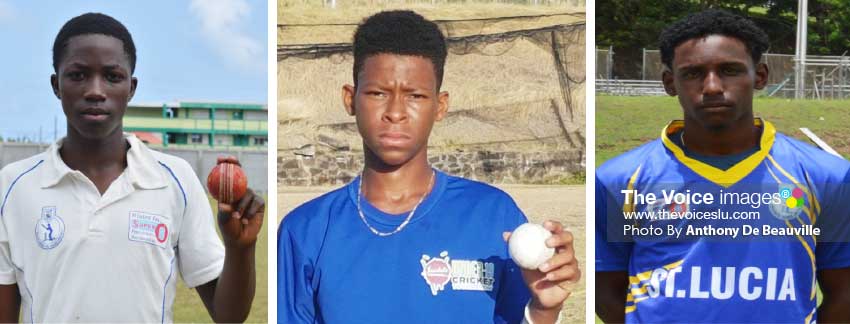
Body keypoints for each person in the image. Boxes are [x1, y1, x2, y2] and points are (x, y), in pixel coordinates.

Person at [278, 10, 580, 324]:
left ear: (440, 106)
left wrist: (545, 310)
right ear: (350, 100)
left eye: (415, 96)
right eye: (378, 93)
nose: (395, 112)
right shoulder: (305, 230)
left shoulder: (494, 216)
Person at [0, 13, 264, 322]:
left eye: (112, 76)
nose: (95, 90)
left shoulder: (174, 179)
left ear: (131, 87)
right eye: (78, 75)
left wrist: (240, 248)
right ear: (56, 84)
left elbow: (228, 316)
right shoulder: (12, 186)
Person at [595, 9, 850, 323]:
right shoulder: (619, 179)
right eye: (692, 73)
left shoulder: (828, 177)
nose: (712, 86)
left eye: (729, 70)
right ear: (669, 82)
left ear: (760, 76)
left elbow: (844, 291)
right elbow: (605, 289)